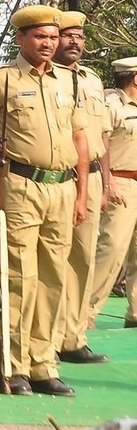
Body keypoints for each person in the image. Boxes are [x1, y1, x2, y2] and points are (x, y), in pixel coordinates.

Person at [0, 4, 88, 397]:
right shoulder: (0, 79)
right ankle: (14, 366)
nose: (48, 43)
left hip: (62, 188)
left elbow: (80, 139)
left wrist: (82, 191)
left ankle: (43, 364)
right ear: (21, 38)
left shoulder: (67, 81)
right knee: (19, 278)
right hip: (19, 187)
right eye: (40, 36)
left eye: (53, 37)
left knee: (54, 279)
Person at [52, 12, 110, 364]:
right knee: (52, 259)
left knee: (83, 259)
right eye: (67, 36)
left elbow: (102, 133)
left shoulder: (91, 79)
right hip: (56, 176)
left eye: (79, 37)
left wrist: (107, 180)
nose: (74, 42)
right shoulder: (47, 78)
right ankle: (46, 340)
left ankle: (73, 338)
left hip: (91, 177)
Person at [88, 58, 137, 330]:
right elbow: (100, 145)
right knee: (112, 250)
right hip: (121, 182)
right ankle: (85, 312)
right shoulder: (111, 106)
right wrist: (108, 183)